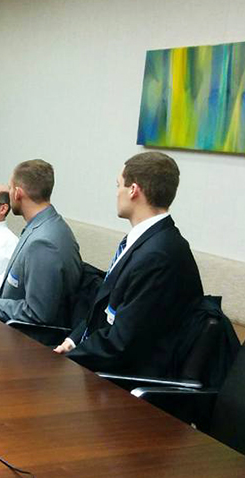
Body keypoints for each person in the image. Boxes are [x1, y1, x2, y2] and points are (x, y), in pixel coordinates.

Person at [54, 152, 204, 377]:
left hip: (125, 381)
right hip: (101, 363)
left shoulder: (159, 255)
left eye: (118, 185)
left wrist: (63, 362)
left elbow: (122, 343)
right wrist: (73, 341)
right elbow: (103, 311)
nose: (116, 193)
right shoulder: (145, 241)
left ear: (133, 190)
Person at [0, 159, 82, 330]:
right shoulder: (44, 225)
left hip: (21, 334)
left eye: (10, 188)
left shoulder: (44, 243)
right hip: (4, 313)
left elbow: (38, 312)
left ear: (18, 193)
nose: (10, 193)